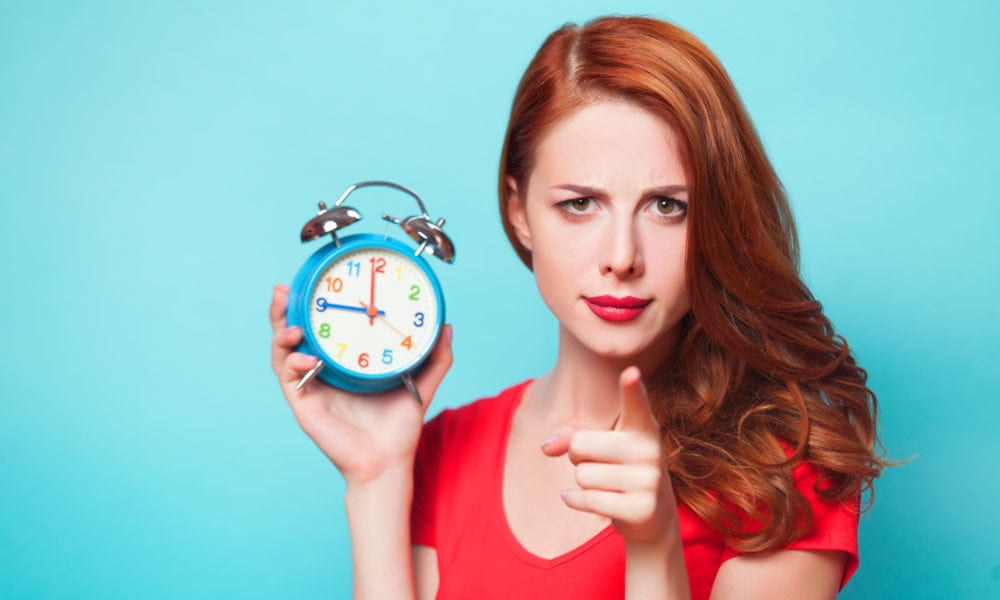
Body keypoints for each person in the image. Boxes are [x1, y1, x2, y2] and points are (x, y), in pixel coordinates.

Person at [269, 15, 885, 599]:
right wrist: (375, 479)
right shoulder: (439, 451)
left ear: (715, 219)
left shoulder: (784, 473)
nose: (622, 256)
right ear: (520, 213)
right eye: (581, 204)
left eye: (667, 206)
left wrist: (654, 546)